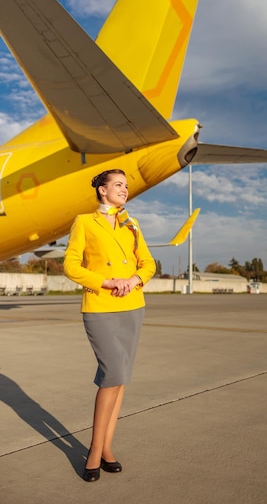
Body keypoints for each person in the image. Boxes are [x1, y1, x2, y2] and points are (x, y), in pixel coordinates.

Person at [64, 169, 156, 482]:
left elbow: (148, 263)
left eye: (126, 186)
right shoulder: (84, 222)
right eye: (118, 185)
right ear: (102, 191)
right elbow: (71, 266)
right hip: (101, 306)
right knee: (112, 373)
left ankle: (106, 448)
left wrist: (133, 280)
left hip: (133, 305)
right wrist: (106, 281)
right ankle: (93, 450)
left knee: (120, 379)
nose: (124, 189)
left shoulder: (132, 223)